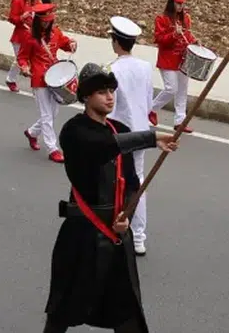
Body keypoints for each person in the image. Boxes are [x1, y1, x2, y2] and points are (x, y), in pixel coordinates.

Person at [42, 63, 179, 333]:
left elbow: (132, 182)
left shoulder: (119, 129)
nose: (109, 96)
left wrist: (126, 216)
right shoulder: (74, 131)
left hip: (115, 234)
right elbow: (101, 147)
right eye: (101, 91)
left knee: (127, 309)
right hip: (81, 232)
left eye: (111, 91)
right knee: (63, 306)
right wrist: (150, 138)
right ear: (86, 97)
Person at [104, 17, 154, 256]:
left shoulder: (112, 70)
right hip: (142, 132)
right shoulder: (145, 67)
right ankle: (139, 237)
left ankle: (118, 227)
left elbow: (110, 106)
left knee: (118, 181)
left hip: (121, 132)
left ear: (116, 42)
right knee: (138, 181)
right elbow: (147, 102)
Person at [18, 3, 77, 163]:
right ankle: (53, 148)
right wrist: (24, 67)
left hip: (56, 77)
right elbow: (22, 57)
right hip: (39, 78)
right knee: (46, 115)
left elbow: (66, 44)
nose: (47, 23)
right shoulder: (29, 36)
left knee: (53, 113)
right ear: (38, 21)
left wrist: (72, 44)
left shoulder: (56, 32)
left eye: (49, 21)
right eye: (44, 21)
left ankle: (31, 133)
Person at [148, 0, 197, 133]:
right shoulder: (161, 19)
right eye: (178, 4)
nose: (181, 7)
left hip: (183, 60)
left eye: (182, 4)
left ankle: (180, 121)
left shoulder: (186, 18)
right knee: (171, 88)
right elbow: (160, 40)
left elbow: (188, 35)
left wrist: (195, 41)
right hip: (168, 60)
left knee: (182, 90)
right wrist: (174, 34)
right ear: (171, 3)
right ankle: (150, 109)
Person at [5, 0, 40, 92]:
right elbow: (11, 18)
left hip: (33, 36)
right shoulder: (17, 1)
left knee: (35, 61)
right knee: (20, 60)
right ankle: (11, 79)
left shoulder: (37, 2)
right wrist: (21, 17)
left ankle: (36, 86)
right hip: (20, 36)